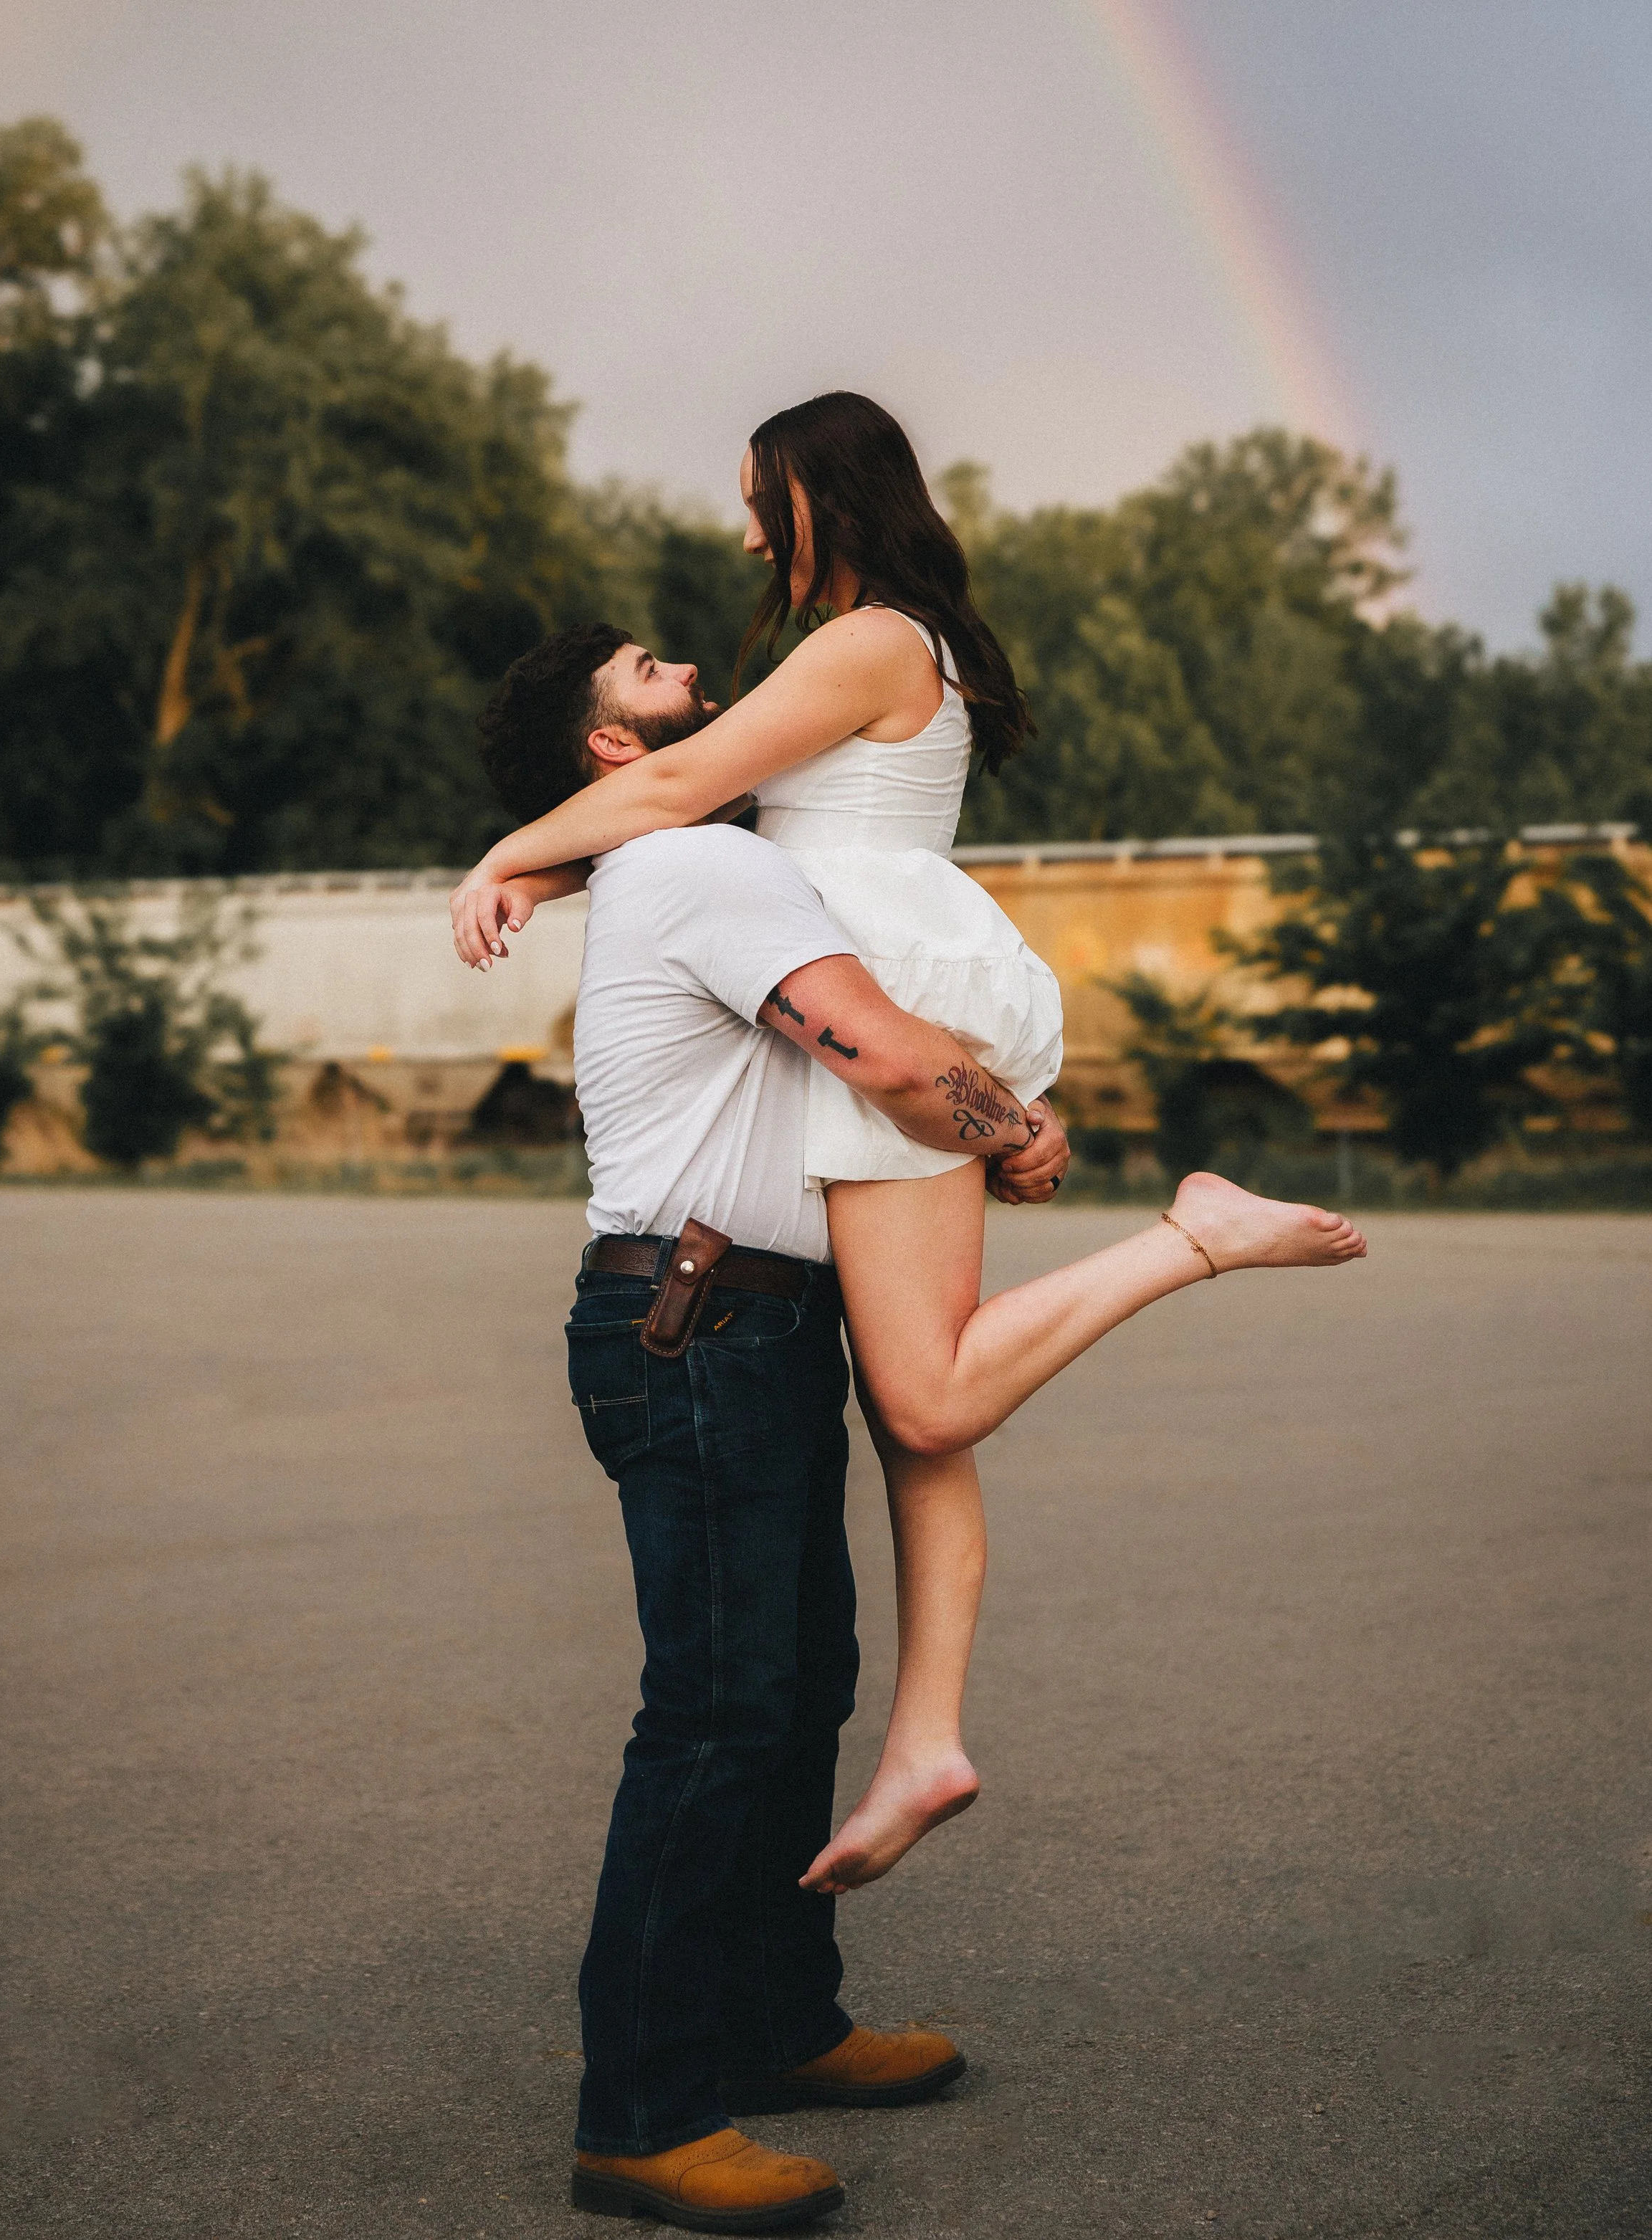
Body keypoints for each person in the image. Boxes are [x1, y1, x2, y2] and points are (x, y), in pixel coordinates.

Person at [470, 623, 1364, 2229]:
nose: (702, 681)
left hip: (741, 1319)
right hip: (696, 1323)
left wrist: (998, 1122)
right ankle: (642, 2111)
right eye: (657, 674)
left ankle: (774, 2021)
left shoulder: (709, 864)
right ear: (616, 754)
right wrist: (1014, 1126)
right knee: (717, 1712)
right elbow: (880, 1051)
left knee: (796, 1684)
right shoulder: (698, 868)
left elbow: (888, 1066)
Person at [452, 393, 1365, 1902]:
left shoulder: (865, 640)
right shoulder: (867, 648)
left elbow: (674, 788)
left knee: (925, 1389)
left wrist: (496, 854)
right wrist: (540, 883)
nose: (745, 531)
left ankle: (1190, 1232)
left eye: (759, 499)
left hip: (878, 980)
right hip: (880, 969)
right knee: (910, 1404)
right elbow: (687, 811)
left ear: (820, 492)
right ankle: (924, 1739)